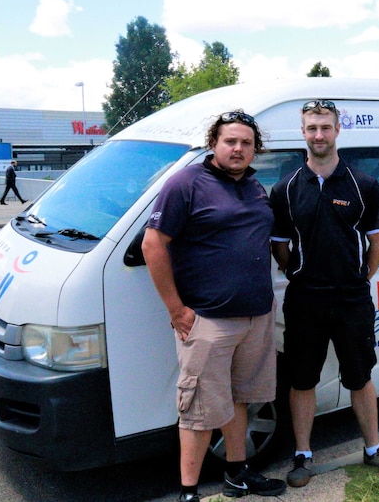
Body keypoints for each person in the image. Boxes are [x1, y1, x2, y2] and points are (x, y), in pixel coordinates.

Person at [142, 110, 286, 502]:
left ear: (255, 149)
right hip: (207, 321)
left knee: (240, 399)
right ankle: (189, 493)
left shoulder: (256, 186)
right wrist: (176, 310)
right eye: (230, 141)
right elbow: (152, 245)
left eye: (246, 143)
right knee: (198, 410)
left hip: (256, 316)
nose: (238, 149)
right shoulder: (186, 183)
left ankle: (237, 476)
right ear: (214, 144)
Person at [270, 99, 379, 488]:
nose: (319, 135)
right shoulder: (285, 190)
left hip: (351, 299)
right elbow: (280, 249)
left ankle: (373, 449)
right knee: (301, 380)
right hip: (305, 299)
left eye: (325, 127)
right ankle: (302, 455)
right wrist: (299, 273)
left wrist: (359, 278)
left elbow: (378, 245)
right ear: (302, 133)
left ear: (337, 130)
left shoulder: (363, 184)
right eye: (312, 128)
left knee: (360, 376)